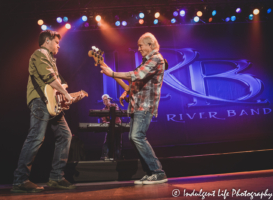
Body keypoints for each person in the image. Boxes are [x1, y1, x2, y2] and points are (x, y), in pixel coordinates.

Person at [12, 30, 85, 193]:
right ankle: (20, 180)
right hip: (40, 101)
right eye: (56, 42)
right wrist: (66, 94)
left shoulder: (51, 59)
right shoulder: (40, 54)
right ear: (46, 41)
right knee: (36, 137)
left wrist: (62, 99)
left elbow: (55, 86)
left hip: (51, 104)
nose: (59, 45)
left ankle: (56, 177)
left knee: (65, 135)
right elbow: (49, 78)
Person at [99, 32, 168, 185]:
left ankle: (158, 172)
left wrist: (113, 73)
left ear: (150, 45)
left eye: (141, 45)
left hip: (145, 106)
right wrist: (125, 91)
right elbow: (137, 83)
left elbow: (136, 75)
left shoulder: (156, 58)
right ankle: (150, 172)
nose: (139, 49)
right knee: (133, 137)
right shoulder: (147, 60)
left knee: (137, 136)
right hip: (138, 105)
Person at [100, 94, 122, 160]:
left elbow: (117, 118)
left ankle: (118, 157)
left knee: (118, 142)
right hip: (109, 127)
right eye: (103, 100)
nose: (104, 101)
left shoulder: (114, 106)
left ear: (109, 99)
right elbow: (104, 120)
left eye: (106, 99)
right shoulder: (103, 109)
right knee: (106, 142)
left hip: (117, 126)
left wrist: (111, 123)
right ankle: (104, 156)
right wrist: (107, 123)